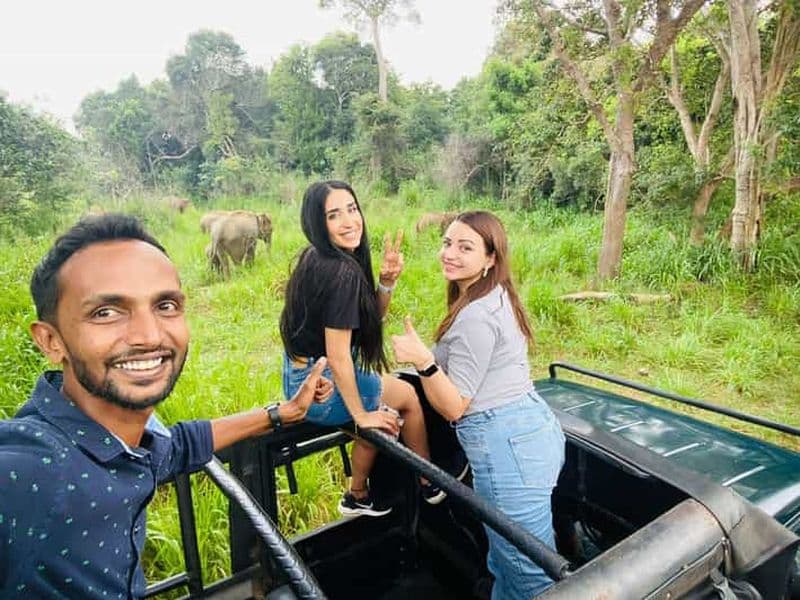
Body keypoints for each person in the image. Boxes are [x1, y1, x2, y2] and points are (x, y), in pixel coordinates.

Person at [0, 214, 331, 599]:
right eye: (105, 312)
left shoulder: (114, 440)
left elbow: (175, 447)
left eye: (166, 305)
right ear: (50, 341)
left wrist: (281, 413)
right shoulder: (31, 469)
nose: (149, 335)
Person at [391, 210, 566, 599]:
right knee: (505, 560)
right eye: (447, 243)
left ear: (490, 258)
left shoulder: (476, 316)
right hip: (531, 432)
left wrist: (423, 361)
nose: (450, 253)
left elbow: (454, 406)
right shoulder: (493, 293)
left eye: (465, 247)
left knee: (532, 577)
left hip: (507, 451)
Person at [280, 180, 444, 517]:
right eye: (333, 215)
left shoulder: (315, 257)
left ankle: (358, 494)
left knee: (379, 405)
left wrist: (386, 282)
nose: (349, 221)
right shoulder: (342, 272)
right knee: (406, 400)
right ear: (317, 223)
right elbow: (338, 354)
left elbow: (365, 322)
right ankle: (430, 481)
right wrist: (361, 415)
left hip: (300, 379)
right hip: (322, 389)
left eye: (352, 209)